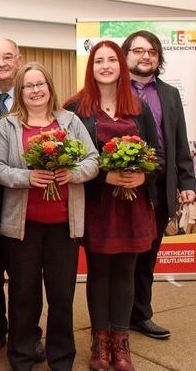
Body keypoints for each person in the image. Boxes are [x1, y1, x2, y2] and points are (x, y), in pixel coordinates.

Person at [0, 62, 99, 371]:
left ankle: (61, 357)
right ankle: (22, 356)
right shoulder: (7, 125)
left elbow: (93, 160)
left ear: (50, 88)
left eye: (40, 84)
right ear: (20, 92)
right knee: (23, 295)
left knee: (62, 296)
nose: (35, 90)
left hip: (64, 227)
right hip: (22, 227)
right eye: (28, 86)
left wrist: (73, 172)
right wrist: (28, 177)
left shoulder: (70, 121)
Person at [64, 40, 160, 371]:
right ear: (90, 68)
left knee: (125, 274)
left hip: (133, 206)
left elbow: (156, 156)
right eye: (98, 61)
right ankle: (99, 343)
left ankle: (121, 344)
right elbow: (69, 160)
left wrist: (142, 178)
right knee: (99, 273)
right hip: (97, 205)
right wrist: (104, 176)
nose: (105, 66)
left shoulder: (138, 106)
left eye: (111, 60)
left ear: (121, 65)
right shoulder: (76, 108)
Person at [121, 30, 196, 340]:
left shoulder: (169, 93)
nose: (145, 56)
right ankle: (116, 317)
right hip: (124, 185)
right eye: (138, 50)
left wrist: (187, 181)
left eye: (151, 51)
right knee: (125, 255)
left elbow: (180, 140)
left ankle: (141, 314)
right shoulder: (114, 92)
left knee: (148, 255)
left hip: (161, 187)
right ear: (126, 56)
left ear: (158, 57)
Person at [0, 38, 46, 363]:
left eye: (7, 57)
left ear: (19, 59)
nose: (1, 63)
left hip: (25, 204)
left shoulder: (36, 97)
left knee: (26, 277)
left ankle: (28, 334)